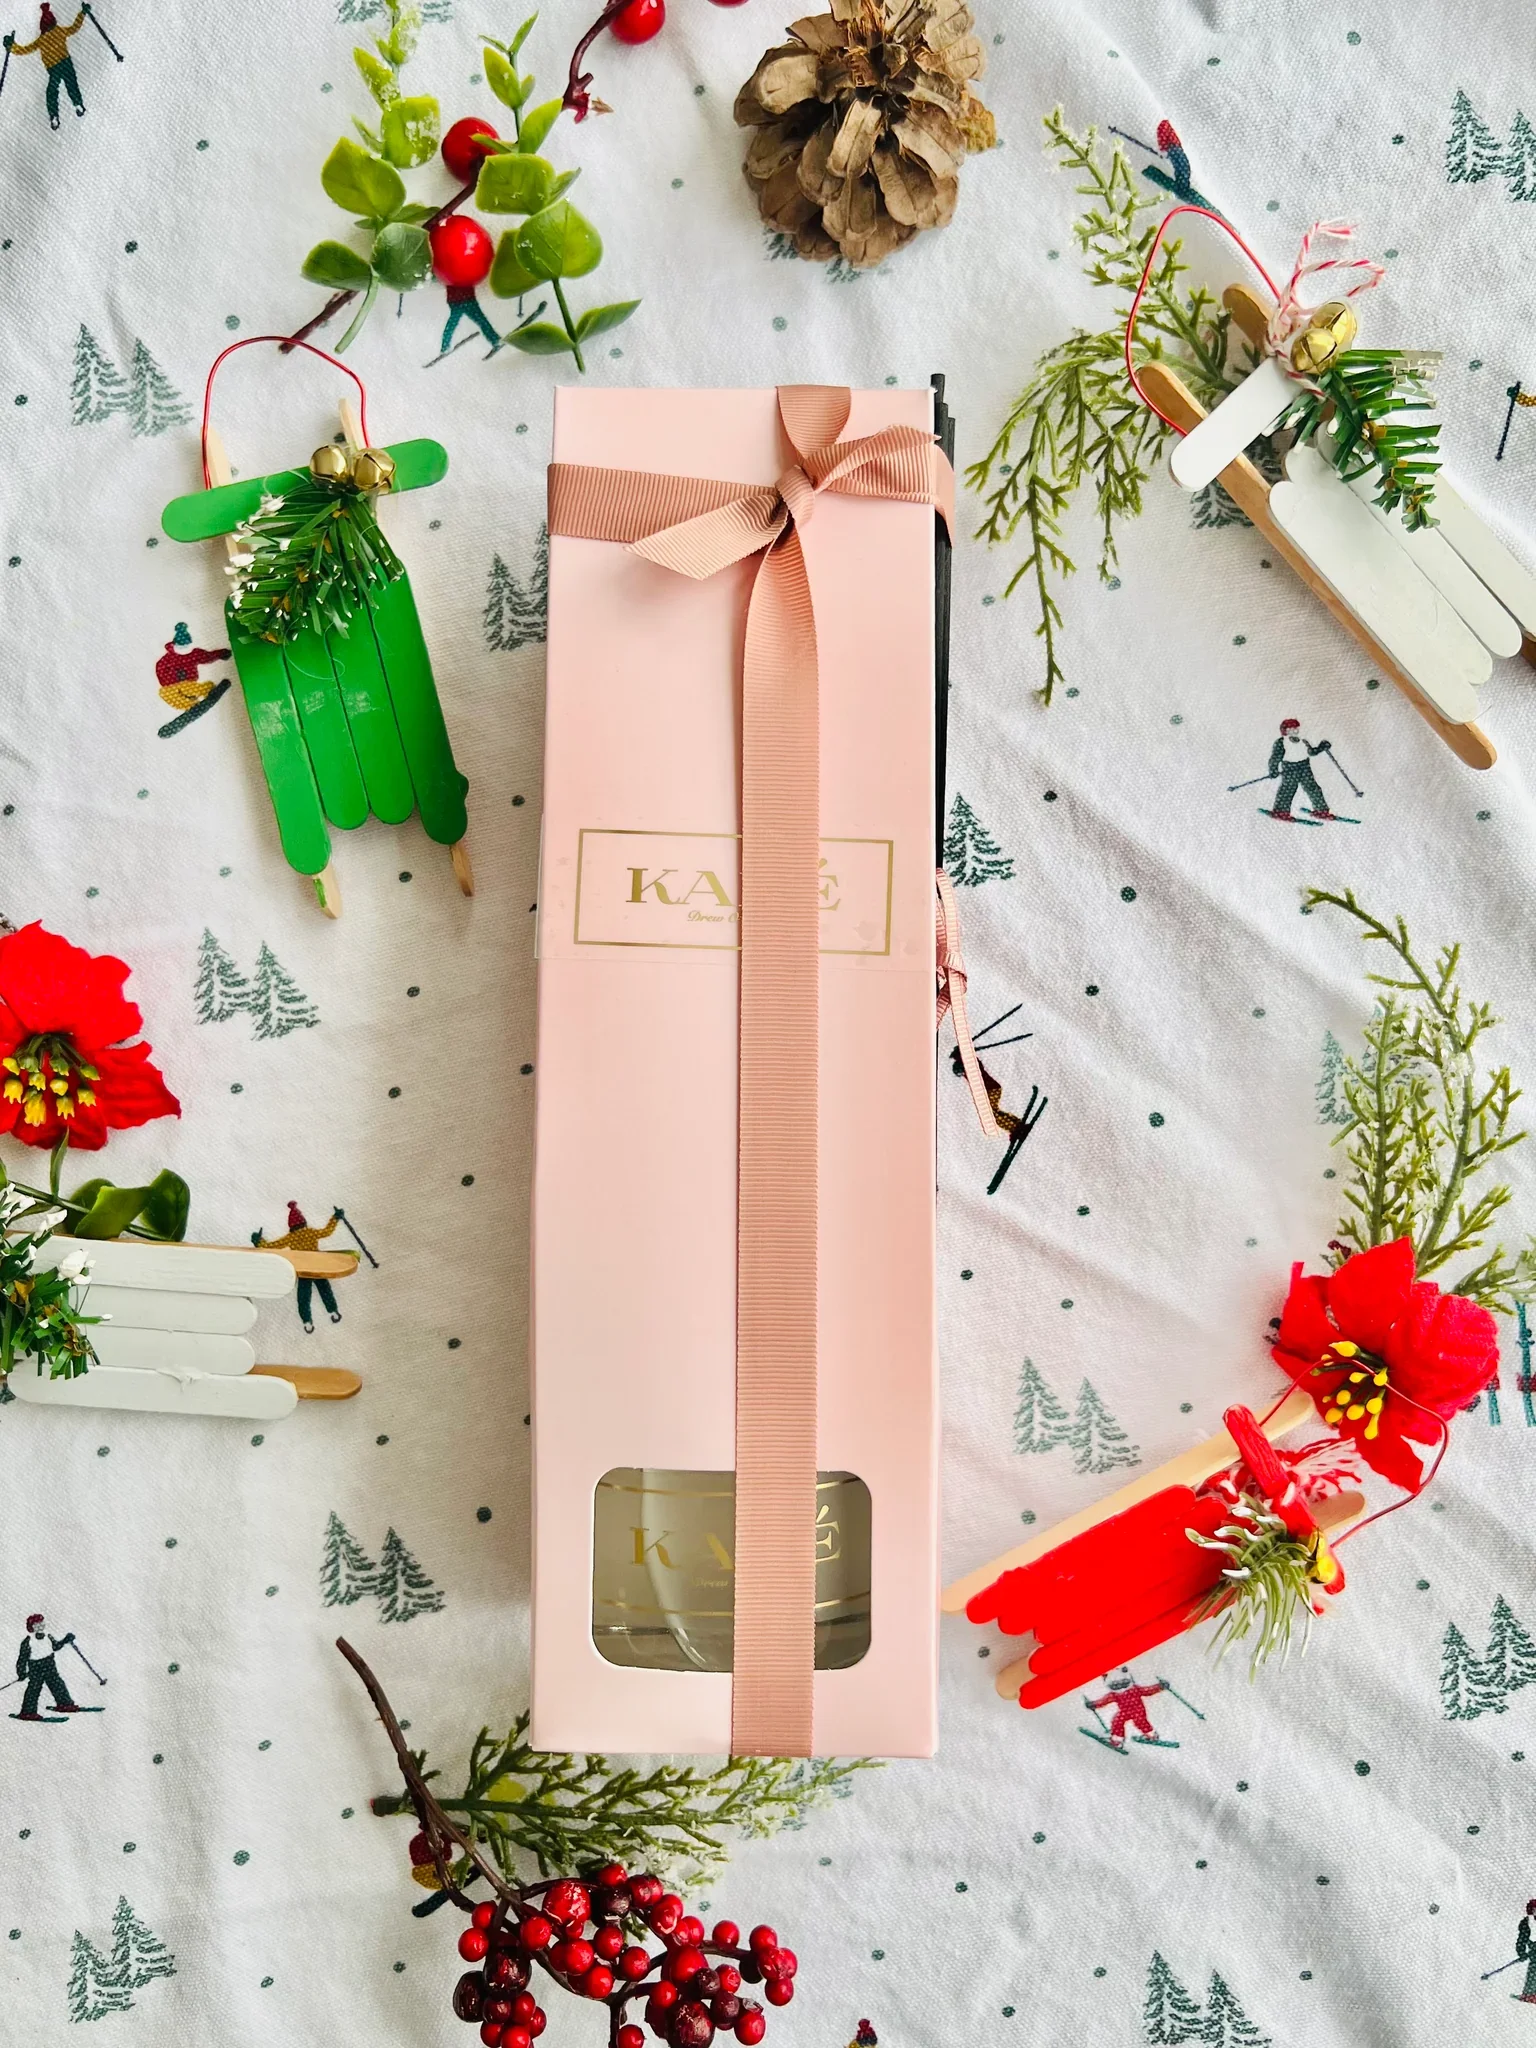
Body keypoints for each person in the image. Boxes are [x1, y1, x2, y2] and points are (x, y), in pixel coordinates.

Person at [252, 1202, 343, 1332]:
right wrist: (335, 1218)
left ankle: (307, 1322)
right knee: (325, 1290)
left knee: (303, 1297)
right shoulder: (310, 1232)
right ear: (303, 1221)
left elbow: (272, 1246)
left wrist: (259, 1241)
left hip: (303, 1271)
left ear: (291, 1226)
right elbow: (326, 1232)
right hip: (317, 1267)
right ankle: (333, 1311)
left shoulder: (291, 1237)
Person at [4, 6, 87, 129]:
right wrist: (82, 13)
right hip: (64, 64)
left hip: (55, 67)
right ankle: (77, 105)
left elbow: (24, 49)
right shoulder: (58, 32)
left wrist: (11, 46)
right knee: (70, 84)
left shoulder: (44, 39)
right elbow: (75, 27)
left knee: (53, 91)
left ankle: (55, 115)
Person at [1266, 718, 1336, 822]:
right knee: (1288, 789)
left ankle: (1321, 810)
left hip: (1304, 767)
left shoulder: (1302, 741)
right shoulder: (1282, 742)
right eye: (1291, 729)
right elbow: (1275, 757)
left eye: (1296, 728)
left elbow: (1311, 752)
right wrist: (1273, 769)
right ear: (1285, 730)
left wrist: (1322, 747)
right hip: (1290, 768)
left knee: (1313, 788)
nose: (1294, 731)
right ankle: (1281, 812)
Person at [14, 1613, 81, 1719]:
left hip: (49, 1664)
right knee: (34, 1688)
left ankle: (65, 1704)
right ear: (31, 1627)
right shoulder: (28, 1641)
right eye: (36, 1625)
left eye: (41, 1623)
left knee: (57, 1684)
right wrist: (21, 1672)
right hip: (36, 1667)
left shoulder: (48, 1636)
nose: (40, 1626)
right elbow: (22, 1659)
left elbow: (55, 1646)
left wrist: (65, 1640)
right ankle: (28, 1712)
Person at [1086, 1667, 1167, 1747]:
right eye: (1115, 1685)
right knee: (1117, 1721)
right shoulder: (1115, 1694)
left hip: (1138, 1710)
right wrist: (1094, 1704)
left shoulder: (1134, 1690)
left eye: (1123, 1683)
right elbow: (1104, 1701)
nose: (1121, 1687)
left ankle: (1152, 1735)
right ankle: (1117, 1740)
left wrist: (1160, 1686)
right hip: (1125, 1712)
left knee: (1140, 1722)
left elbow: (1148, 1690)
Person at [1516, 1901, 1536, 2002]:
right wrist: (1521, 1952)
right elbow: (1522, 1939)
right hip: (1534, 1950)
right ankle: (1530, 1994)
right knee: (1533, 1970)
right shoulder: (1527, 1922)